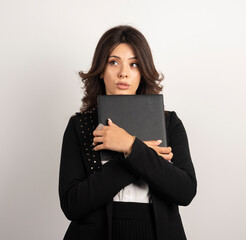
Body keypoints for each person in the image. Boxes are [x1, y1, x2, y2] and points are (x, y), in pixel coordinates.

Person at [59, 25, 197, 240]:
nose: (123, 72)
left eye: (134, 64)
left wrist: (131, 146)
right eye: (113, 62)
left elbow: (185, 192)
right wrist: (132, 159)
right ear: (101, 71)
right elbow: (72, 205)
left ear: (143, 73)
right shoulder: (81, 126)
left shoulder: (169, 123)